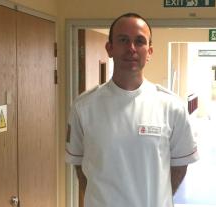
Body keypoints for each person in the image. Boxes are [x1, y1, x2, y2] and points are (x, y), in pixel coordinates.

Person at [65, 12, 199, 207]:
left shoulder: (172, 107)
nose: (131, 48)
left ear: (149, 51)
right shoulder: (83, 107)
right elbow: (80, 167)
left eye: (139, 41)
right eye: (123, 40)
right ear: (109, 48)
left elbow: (179, 167)